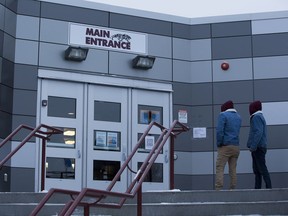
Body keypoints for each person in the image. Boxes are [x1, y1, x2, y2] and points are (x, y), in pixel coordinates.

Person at [215, 100, 242, 190]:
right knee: (233, 169)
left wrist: (219, 143)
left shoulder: (223, 115)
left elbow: (220, 131)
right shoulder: (238, 117)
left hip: (225, 146)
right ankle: (232, 189)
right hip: (236, 146)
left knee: (220, 167)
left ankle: (219, 189)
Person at [247, 100, 272, 189]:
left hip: (258, 148)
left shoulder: (256, 117)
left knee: (261, 169)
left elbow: (258, 132)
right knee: (257, 170)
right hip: (260, 147)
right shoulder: (260, 116)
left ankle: (268, 189)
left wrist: (252, 146)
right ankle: (257, 189)